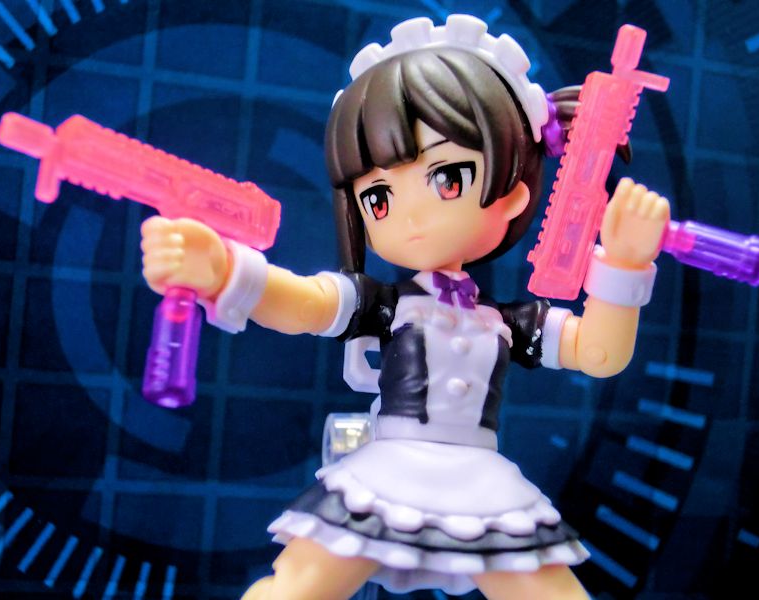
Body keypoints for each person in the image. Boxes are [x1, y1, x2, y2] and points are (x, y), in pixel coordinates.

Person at [140, 15, 669, 600]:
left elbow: (599, 353)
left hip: (481, 485)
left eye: (447, 178)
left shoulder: (511, 323)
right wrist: (225, 272)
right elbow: (305, 305)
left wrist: (623, 266)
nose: (410, 214)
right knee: (300, 586)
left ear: (513, 193)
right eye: (379, 197)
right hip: (388, 474)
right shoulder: (383, 306)